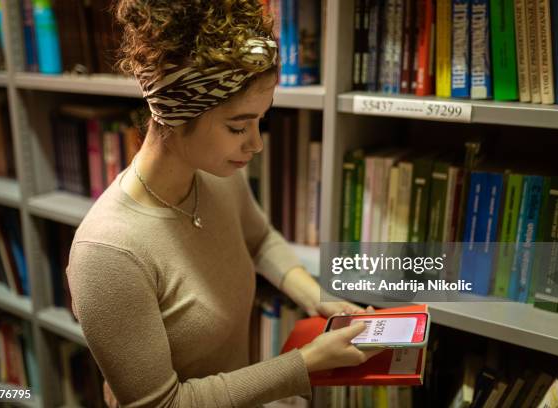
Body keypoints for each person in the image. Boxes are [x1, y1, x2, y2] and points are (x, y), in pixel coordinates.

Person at [66, 1, 382, 407]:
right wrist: (303, 365)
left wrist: (313, 295)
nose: (256, 144)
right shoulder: (108, 253)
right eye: (238, 127)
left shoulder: (215, 176)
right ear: (179, 115)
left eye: (259, 122)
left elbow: (260, 239)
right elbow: (160, 404)